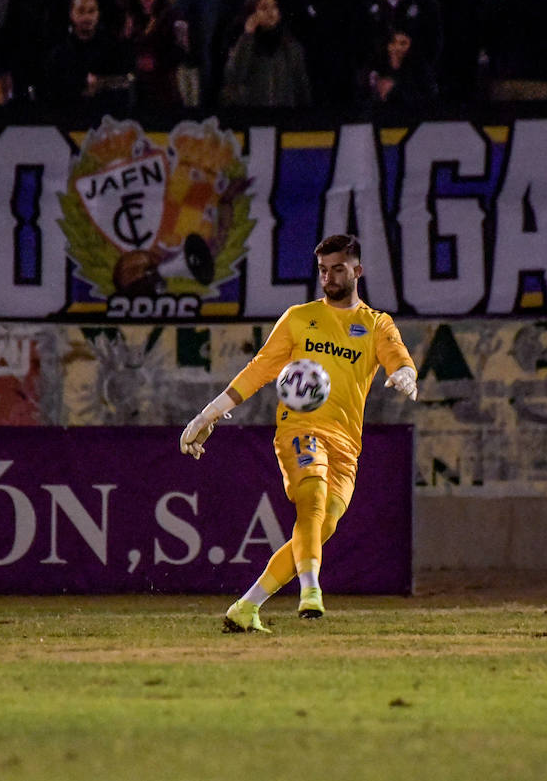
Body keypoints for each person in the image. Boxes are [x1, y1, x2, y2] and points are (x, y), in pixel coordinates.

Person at [179, 233, 418, 632]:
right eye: (323, 270)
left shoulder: (375, 323)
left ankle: (246, 606)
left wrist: (406, 373)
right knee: (312, 500)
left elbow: (397, 356)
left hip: (346, 444)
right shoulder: (298, 318)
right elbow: (259, 369)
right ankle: (311, 590)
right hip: (299, 429)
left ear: (357, 271)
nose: (329, 277)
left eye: (337, 269)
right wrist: (209, 414)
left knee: (323, 526)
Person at [219, 0, 312, 107]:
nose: (271, 12)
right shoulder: (241, 42)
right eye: (264, 8)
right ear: (252, 14)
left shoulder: (290, 46)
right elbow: (234, 77)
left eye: (274, 7)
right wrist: (248, 35)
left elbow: (301, 86)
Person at [118, 0, 190, 109]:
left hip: (167, 92)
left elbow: (182, 50)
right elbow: (122, 53)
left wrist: (157, 62)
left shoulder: (175, 17)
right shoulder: (131, 18)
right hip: (138, 93)